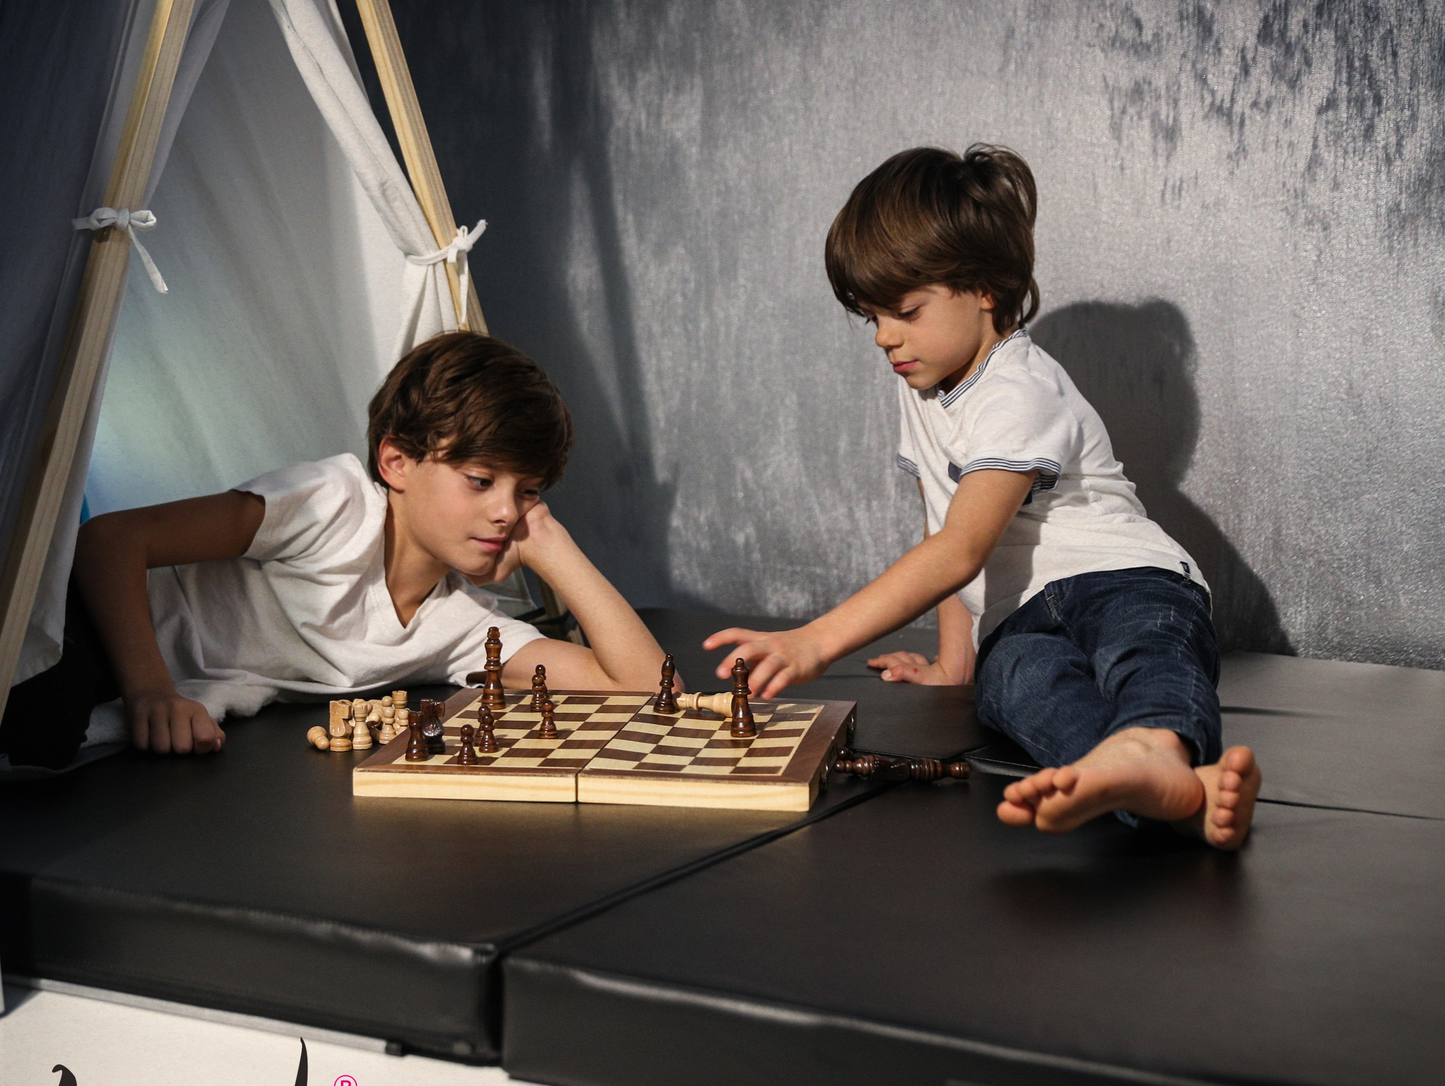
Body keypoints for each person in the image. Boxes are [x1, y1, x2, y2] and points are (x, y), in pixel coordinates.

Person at [705, 146, 1260, 849]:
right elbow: (941, 520)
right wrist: (953, 665)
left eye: (905, 311)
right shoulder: (919, 382)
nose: (884, 338)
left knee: (1144, 652)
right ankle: (1153, 786)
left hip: (1124, 577)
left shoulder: (1019, 388)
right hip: (1019, 618)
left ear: (984, 289)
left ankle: (1157, 743)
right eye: (871, 317)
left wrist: (817, 640)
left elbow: (960, 550)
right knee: (1014, 686)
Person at [0, 332, 668, 769]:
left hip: (126, 696)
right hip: (84, 617)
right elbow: (111, 538)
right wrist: (151, 690)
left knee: (48, 741)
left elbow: (643, 687)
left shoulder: (461, 627)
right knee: (41, 712)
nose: (505, 510)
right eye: (479, 479)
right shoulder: (333, 502)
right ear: (396, 462)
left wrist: (551, 542)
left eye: (528, 490)